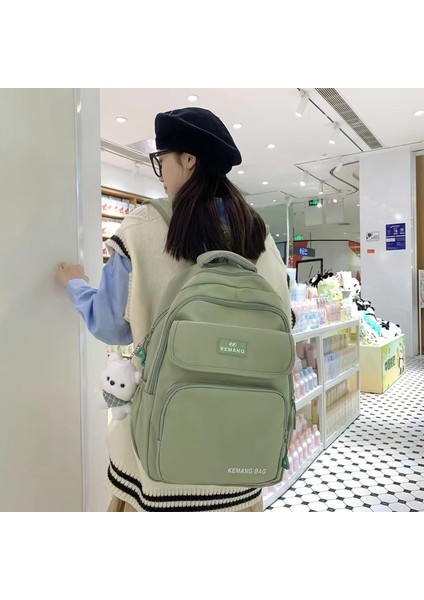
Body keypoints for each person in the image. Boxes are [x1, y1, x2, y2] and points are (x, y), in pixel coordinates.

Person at [57, 107, 292, 512]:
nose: (160, 173)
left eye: (161, 160)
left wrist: (76, 284)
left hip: (160, 460)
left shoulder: (142, 226)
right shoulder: (258, 233)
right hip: (243, 458)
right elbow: (285, 319)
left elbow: (111, 326)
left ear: (188, 160)